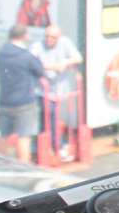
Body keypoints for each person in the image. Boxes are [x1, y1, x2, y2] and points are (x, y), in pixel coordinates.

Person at [0, 23, 48, 162]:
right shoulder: (25, 56)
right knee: (24, 136)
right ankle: (24, 167)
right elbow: (40, 71)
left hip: (5, 100)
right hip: (24, 102)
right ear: (25, 36)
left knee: (3, 134)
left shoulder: (1, 53)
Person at [32, 24, 83, 158]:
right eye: (47, 36)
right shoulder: (38, 46)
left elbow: (78, 58)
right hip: (42, 89)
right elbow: (31, 62)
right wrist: (53, 67)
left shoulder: (65, 43)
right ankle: (55, 146)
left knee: (52, 117)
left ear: (59, 38)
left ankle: (52, 145)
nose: (49, 39)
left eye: (53, 37)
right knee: (48, 115)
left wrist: (65, 62)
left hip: (59, 89)